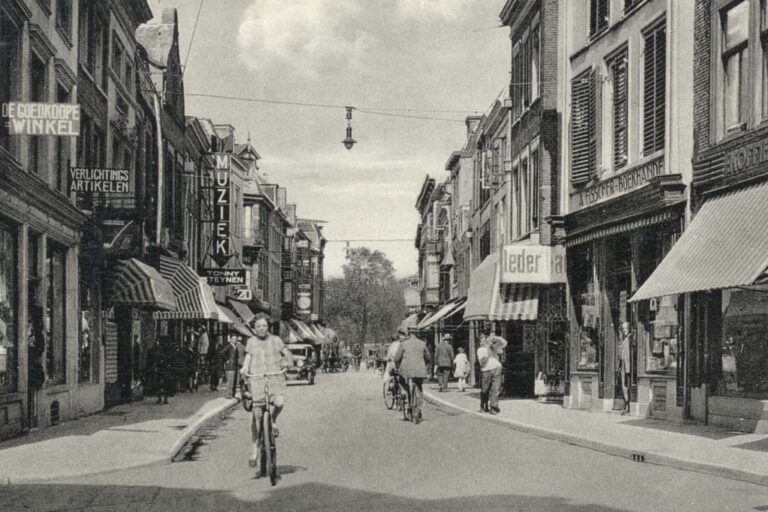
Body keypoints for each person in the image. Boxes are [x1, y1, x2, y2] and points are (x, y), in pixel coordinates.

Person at [240, 314, 294, 468]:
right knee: (256, 417)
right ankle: (255, 450)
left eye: (263, 326)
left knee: (279, 402)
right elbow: (248, 358)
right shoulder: (251, 341)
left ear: (268, 326)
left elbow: (286, 353)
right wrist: (244, 368)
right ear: (254, 328)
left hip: (274, 378)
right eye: (258, 326)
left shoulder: (276, 340)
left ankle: (273, 420)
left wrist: (289, 361)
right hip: (256, 379)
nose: (261, 329)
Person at [394, 332, 431, 415]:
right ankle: (419, 407)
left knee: (402, 382)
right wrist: (423, 364)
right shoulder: (422, 343)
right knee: (419, 386)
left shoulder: (403, 343)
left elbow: (397, 358)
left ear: (408, 334)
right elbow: (428, 357)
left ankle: (406, 395)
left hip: (406, 369)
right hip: (420, 369)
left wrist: (397, 367)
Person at [478, 331, 507, 415]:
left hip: (497, 368)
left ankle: (493, 407)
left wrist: (495, 341)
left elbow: (503, 345)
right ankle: (483, 405)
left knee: (496, 388)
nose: (483, 342)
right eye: (481, 341)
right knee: (485, 389)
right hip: (486, 370)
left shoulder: (493, 348)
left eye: (484, 340)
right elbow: (482, 362)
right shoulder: (480, 350)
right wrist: (487, 351)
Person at [618, 322, 633, 415]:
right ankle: (626, 403)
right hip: (624, 365)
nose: (624, 330)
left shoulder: (630, 339)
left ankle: (628, 404)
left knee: (626, 384)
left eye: (626, 328)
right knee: (624, 385)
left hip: (628, 366)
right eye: (623, 329)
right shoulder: (625, 339)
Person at [222, 333, 240, 398]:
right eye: (233, 339)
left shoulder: (235, 347)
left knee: (234, 381)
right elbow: (222, 353)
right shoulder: (229, 346)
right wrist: (227, 360)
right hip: (230, 366)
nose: (234, 340)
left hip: (235, 366)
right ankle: (229, 395)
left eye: (235, 339)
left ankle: (232, 394)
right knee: (230, 381)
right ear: (230, 339)